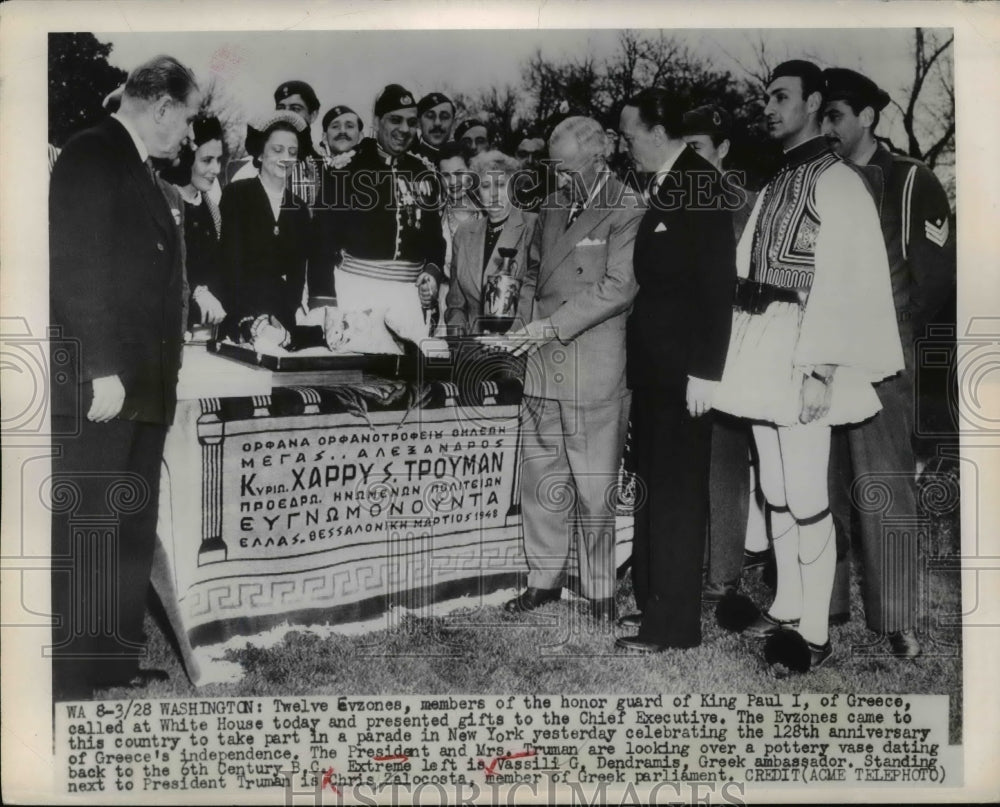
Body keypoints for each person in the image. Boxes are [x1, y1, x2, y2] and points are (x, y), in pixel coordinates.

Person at [712, 60, 903, 674]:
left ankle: (816, 633)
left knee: (804, 491)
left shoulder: (838, 182)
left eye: (782, 96)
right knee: (773, 486)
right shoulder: (776, 183)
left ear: (815, 102)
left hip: (806, 348)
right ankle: (788, 604)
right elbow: (745, 270)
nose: (769, 107)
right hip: (763, 341)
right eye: (765, 97)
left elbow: (847, 285)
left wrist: (819, 369)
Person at [49, 55, 201, 699]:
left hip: (146, 385)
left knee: (130, 524)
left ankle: (112, 659)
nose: (189, 135)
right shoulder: (92, 153)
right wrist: (101, 369)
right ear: (162, 107)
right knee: (91, 522)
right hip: (107, 384)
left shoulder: (137, 164)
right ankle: (72, 671)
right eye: (187, 119)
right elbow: (76, 268)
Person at [821, 67, 956, 657]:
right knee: (820, 483)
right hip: (820, 349)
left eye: (836, 116)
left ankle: (895, 617)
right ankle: (821, 607)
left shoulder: (910, 180)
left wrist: (901, 352)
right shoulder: (817, 179)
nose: (826, 126)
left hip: (884, 353)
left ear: (868, 117)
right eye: (821, 115)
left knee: (883, 485)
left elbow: (933, 280)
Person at [498, 116, 643, 623]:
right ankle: (543, 582)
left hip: (592, 362)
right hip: (540, 361)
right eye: (554, 169)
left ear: (598, 156)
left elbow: (619, 287)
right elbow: (534, 274)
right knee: (541, 477)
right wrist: (518, 329)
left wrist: (547, 327)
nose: (557, 178)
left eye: (566, 169)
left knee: (593, 486)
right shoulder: (553, 206)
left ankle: (601, 591)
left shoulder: (626, 207)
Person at [614, 90, 736, 652]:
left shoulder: (699, 184)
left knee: (678, 497)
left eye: (630, 134)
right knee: (655, 494)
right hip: (656, 372)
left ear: (658, 131)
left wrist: (706, 373)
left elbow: (716, 286)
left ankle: (675, 624)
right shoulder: (670, 181)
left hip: (682, 374)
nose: (625, 144)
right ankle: (655, 606)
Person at [680, 104, 771, 603]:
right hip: (684, 348)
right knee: (693, 458)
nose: (689, 158)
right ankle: (695, 557)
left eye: (697, 148)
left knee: (729, 459)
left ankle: (725, 569)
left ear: (723, 150)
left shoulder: (748, 204)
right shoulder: (672, 198)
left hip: (738, 349)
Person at [310, 84, 445, 341]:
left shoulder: (424, 172)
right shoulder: (346, 169)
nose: (404, 129)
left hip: (408, 298)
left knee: (410, 378)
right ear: (377, 121)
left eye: (411, 122)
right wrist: (323, 305)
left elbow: (435, 241)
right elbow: (321, 244)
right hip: (356, 294)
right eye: (395, 120)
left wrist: (431, 273)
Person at [219, 111, 312, 339]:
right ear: (260, 154)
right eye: (277, 150)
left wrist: (284, 317)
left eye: (292, 152)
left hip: (282, 320)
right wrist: (248, 318)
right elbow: (227, 264)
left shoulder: (299, 208)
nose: (286, 158)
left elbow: (297, 276)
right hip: (241, 316)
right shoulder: (237, 194)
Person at [444, 150, 537, 335]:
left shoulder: (532, 225)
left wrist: (511, 335)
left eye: (501, 185)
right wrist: (456, 327)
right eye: (486, 186)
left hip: (515, 342)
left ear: (513, 187)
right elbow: (456, 303)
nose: (493, 194)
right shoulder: (464, 233)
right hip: (471, 347)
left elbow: (534, 294)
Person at [161, 116, 227, 330]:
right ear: (187, 158)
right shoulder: (163, 203)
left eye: (219, 160)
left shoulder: (213, 211)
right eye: (207, 160)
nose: (216, 169)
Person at [230, 80, 322, 205]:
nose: (286, 113)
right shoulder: (246, 167)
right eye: (281, 108)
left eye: (296, 109)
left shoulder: (323, 165)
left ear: (313, 115)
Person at [412, 91, 456, 167]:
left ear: (453, 123)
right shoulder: (408, 161)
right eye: (430, 116)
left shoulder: (462, 160)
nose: (437, 123)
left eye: (444, 117)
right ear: (418, 123)